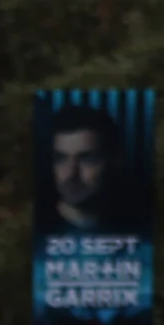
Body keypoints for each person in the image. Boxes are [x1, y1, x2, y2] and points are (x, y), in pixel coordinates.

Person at [40, 101, 143, 236]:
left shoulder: (140, 231)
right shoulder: (35, 231)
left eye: (87, 159)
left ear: (115, 161)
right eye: (61, 159)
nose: (71, 174)